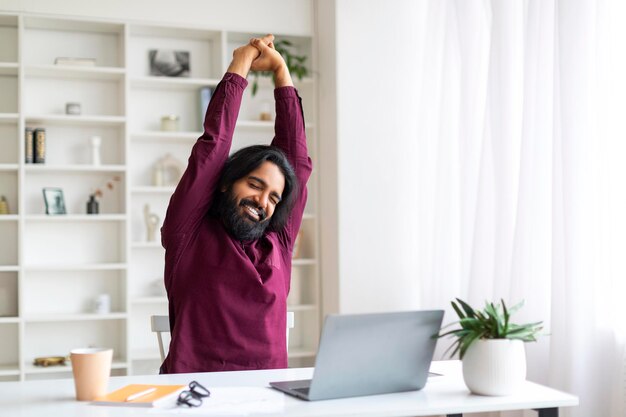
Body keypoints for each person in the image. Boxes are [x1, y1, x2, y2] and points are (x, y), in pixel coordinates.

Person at [159, 35, 312, 373]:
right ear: (227, 182)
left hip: (268, 400)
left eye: (273, 197)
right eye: (255, 185)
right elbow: (213, 148)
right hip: (194, 397)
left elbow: (298, 163)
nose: (262, 201)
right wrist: (240, 64)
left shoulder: (278, 242)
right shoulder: (189, 232)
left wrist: (282, 72)